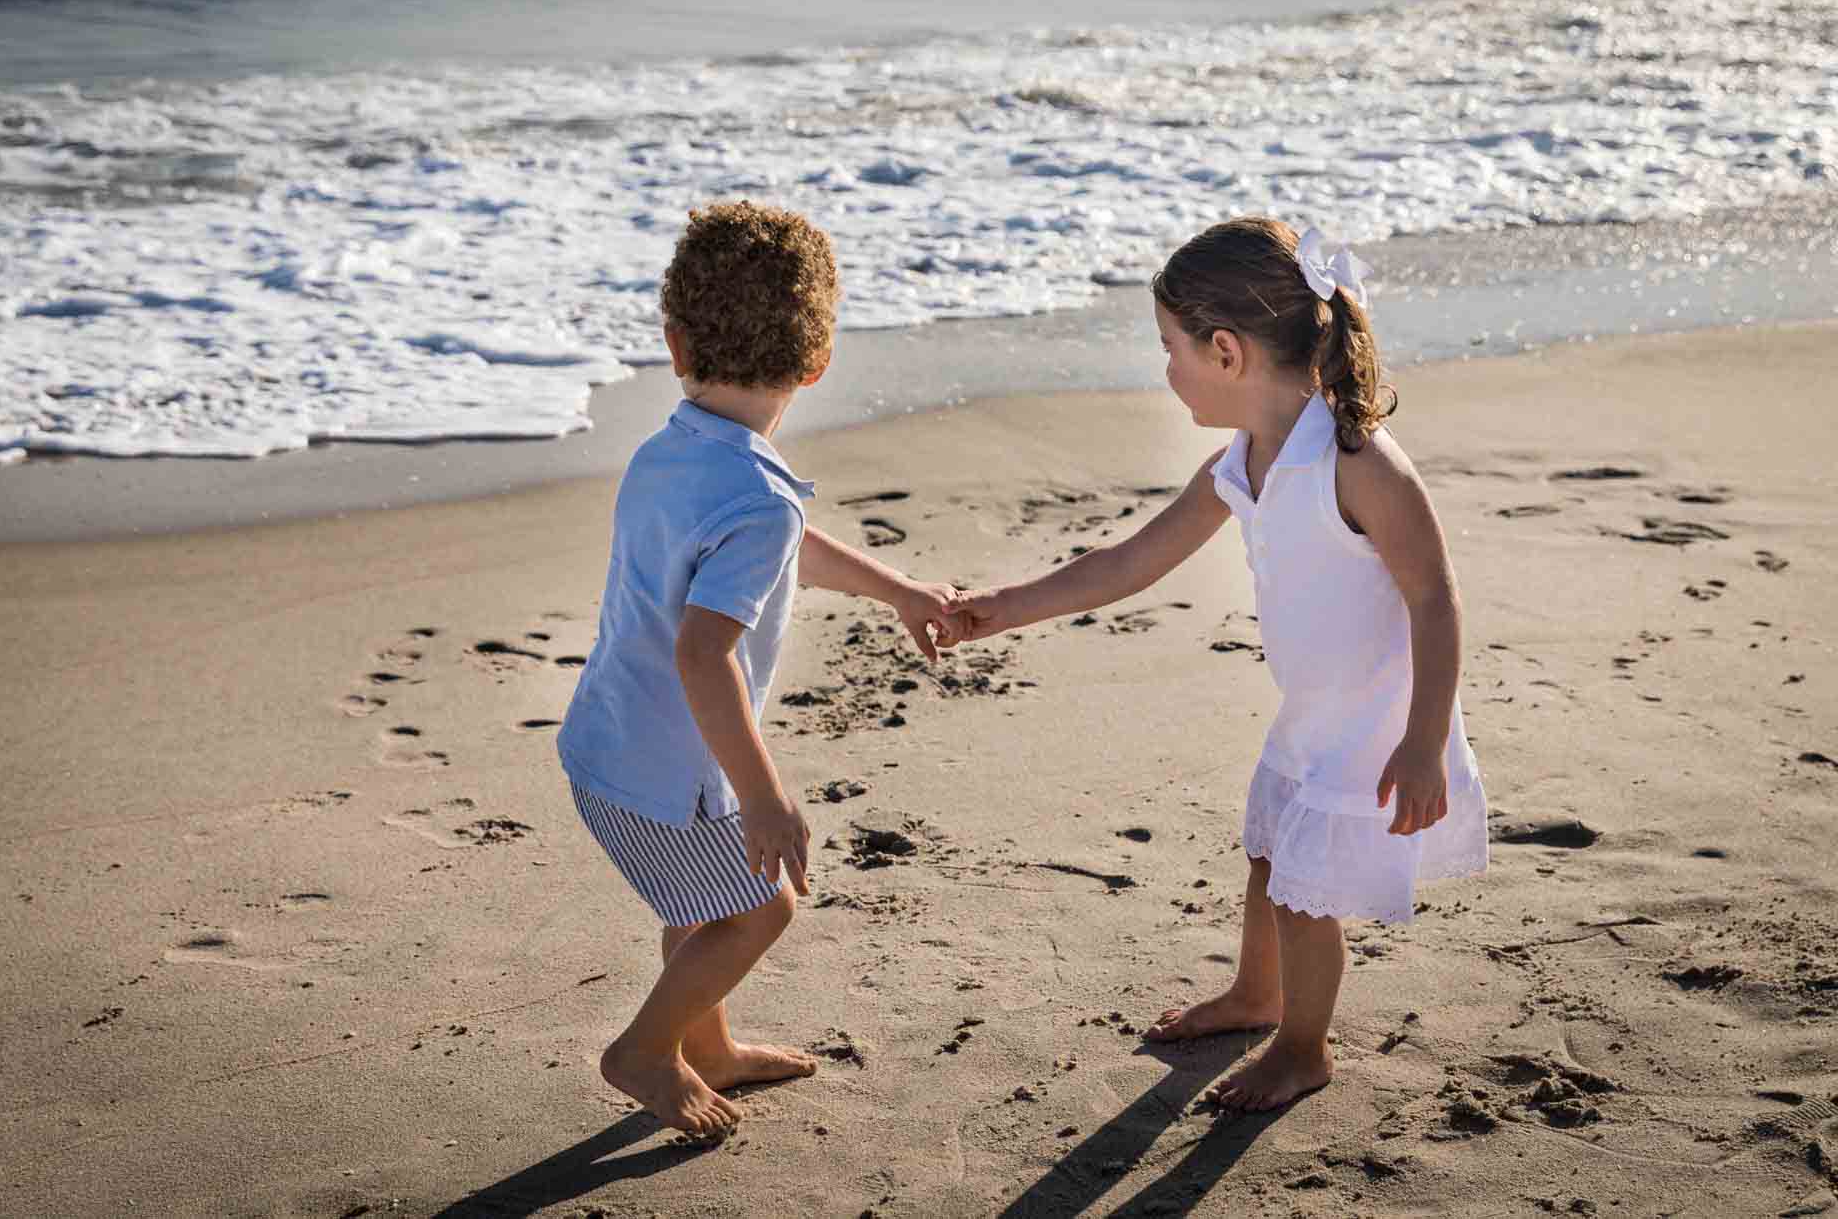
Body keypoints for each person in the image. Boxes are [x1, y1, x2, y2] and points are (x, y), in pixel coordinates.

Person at [952, 216, 1488, 1111]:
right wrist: (1004, 608)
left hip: (1376, 721)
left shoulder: (1358, 463)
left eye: (1170, 348)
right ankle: (1256, 994)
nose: (1165, 369)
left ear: (1226, 352)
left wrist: (1426, 738)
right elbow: (1132, 559)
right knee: (1269, 857)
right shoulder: (1244, 458)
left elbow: (1436, 598)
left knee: (1305, 896)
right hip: (1313, 705)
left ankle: (1304, 1047)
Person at [557, 200, 963, 1138]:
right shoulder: (759, 495)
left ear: (674, 343)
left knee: (703, 908)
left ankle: (711, 1047)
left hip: (606, 744)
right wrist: (765, 794)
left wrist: (895, 589)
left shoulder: (675, 452)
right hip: (669, 771)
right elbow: (704, 654)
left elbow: (779, 545)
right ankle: (644, 1051)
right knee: (759, 911)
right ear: (816, 362)